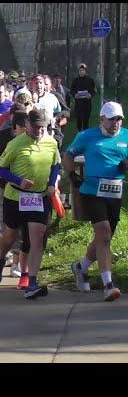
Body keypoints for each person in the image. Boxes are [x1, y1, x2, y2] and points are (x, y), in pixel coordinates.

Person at [0, 109, 61, 299]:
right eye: (36, 126)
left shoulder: (51, 143)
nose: (39, 130)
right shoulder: (15, 144)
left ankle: (32, 281)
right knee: (10, 236)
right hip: (16, 197)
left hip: (39, 198)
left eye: (43, 126)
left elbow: (56, 164)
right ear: (28, 125)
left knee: (37, 237)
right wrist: (17, 180)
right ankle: (0, 259)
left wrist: (51, 183)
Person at [64, 101, 128, 302]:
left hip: (114, 192)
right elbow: (69, 153)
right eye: (111, 119)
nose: (116, 123)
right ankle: (108, 285)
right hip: (92, 190)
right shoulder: (87, 136)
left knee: (104, 239)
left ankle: (81, 267)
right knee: (104, 232)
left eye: (119, 119)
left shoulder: (126, 136)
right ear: (101, 119)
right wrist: (71, 174)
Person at [70, 63, 96, 131]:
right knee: (79, 119)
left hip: (87, 103)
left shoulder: (90, 80)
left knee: (86, 120)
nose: (81, 72)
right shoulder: (75, 80)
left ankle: (85, 132)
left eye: (83, 70)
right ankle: (79, 132)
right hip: (78, 104)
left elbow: (94, 90)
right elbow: (72, 90)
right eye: (80, 70)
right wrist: (75, 95)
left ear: (85, 71)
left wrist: (91, 95)